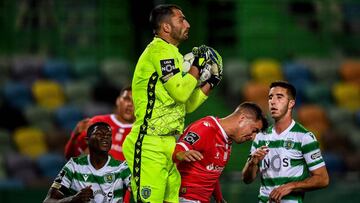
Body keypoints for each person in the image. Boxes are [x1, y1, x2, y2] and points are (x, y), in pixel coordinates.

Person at [122, 4, 223, 203]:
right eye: (181, 19)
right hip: (149, 143)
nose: (188, 24)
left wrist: (211, 82)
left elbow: (186, 105)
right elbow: (180, 91)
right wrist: (197, 64)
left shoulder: (173, 55)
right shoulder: (159, 50)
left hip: (169, 144)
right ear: (166, 27)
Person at [242, 81, 329, 203]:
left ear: (291, 103)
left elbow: (323, 179)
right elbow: (247, 179)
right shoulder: (260, 136)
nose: (273, 101)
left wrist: (290, 186)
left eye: (279, 97)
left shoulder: (304, 137)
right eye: (270, 97)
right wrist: (253, 163)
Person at [173, 102, 268, 203]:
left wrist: (219, 198)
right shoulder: (205, 128)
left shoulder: (227, 140)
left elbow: (211, 171)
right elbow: (177, 150)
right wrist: (181, 154)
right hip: (185, 198)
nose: (253, 137)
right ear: (242, 119)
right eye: (254, 130)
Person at [43, 121, 131, 203]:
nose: (105, 137)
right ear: (87, 140)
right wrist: (74, 199)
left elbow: (141, 193)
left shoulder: (122, 168)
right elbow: (48, 201)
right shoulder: (73, 166)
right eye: (99, 134)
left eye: (108, 135)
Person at [64, 85, 134, 161]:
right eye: (126, 99)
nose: (130, 104)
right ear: (117, 100)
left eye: (135, 101)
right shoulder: (97, 122)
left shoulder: (143, 133)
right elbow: (70, 156)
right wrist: (75, 135)